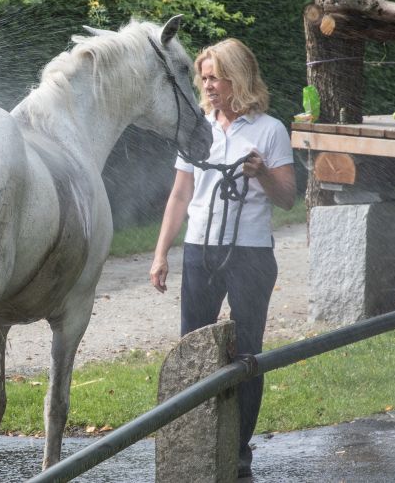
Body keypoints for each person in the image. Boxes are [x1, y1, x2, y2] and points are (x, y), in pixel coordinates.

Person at [148, 38, 296, 478]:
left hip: (250, 253)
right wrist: (160, 255)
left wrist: (262, 172)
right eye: (204, 78)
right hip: (200, 250)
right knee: (192, 348)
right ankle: (193, 441)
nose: (207, 85)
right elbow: (179, 194)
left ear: (237, 78)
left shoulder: (269, 130)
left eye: (215, 77)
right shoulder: (198, 130)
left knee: (247, 352)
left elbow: (288, 197)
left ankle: (237, 450)